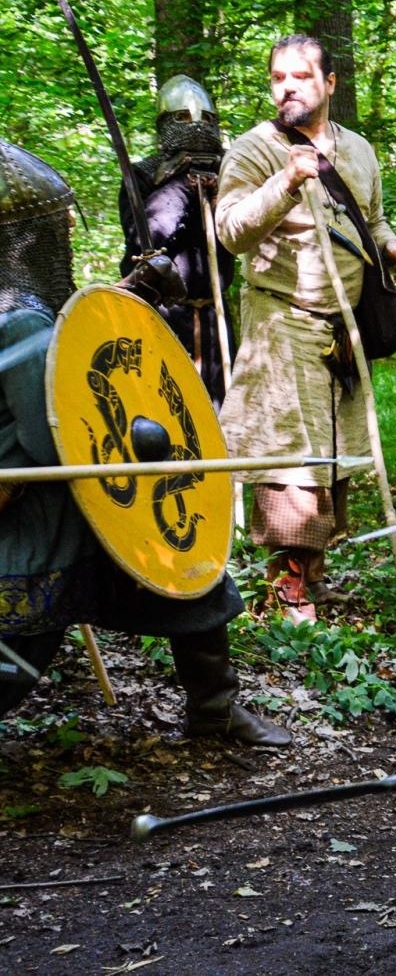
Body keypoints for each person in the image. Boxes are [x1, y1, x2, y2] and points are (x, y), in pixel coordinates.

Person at [0, 138, 288, 745]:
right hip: (32, 517)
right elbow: (58, 439)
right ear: (25, 239)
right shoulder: (18, 320)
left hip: (68, 499)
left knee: (190, 571)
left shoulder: (20, 316)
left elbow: (70, 365)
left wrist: (128, 295)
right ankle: (214, 708)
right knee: (16, 655)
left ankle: (214, 709)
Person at [215, 34, 396, 623]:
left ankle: (315, 574)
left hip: (344, 328)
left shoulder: (357, 150)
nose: (288, 88)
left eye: (301, 77)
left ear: (330, 84)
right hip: (282, 322)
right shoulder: (253, 151)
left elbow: (372, 223)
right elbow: (230, 232)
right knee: (291, 459)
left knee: (335, 456)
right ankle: (287, 588)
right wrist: (283, 184)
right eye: (278, 78)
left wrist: (393, 247)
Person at [118, 75, 235, 408]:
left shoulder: (230, 172)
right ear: (166, 125)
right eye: (182, 118)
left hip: (216, 318)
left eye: (206, 119)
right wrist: (184, 186)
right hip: (163, 314)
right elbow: (145, 242)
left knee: (222, 409)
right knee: (167, 406)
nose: (196, 126)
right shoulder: (142, 176)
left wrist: (222, 190)